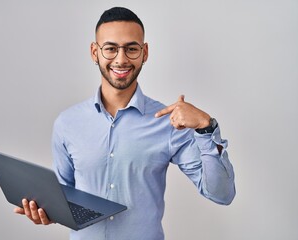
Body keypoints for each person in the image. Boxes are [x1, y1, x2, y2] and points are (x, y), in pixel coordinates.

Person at [14, 6, 236, 240]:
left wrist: (205, 126)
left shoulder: (168, 122)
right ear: (94, 52)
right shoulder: (67, 123)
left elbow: (222, 194)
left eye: (131, 49)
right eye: (110, 48)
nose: (121, 60)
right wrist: (47, 212)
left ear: (145, 52)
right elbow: (63, 197)